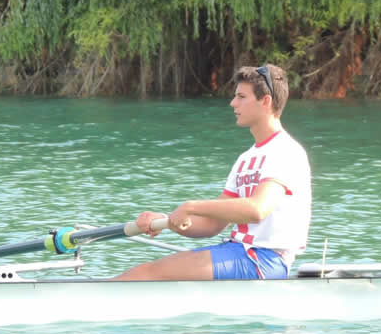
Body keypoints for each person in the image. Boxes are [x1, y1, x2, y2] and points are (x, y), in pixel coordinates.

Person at [114, 64, 311, 281]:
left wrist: (190, 206)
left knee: (147, 274)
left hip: (264, 260)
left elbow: (258, 209)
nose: (233, 103)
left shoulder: (285, 150)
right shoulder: (245, 159)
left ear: (265, 101)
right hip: (239, 252)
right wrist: (167, 220)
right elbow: (212, 224)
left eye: (241, 97)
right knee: (146, 270)